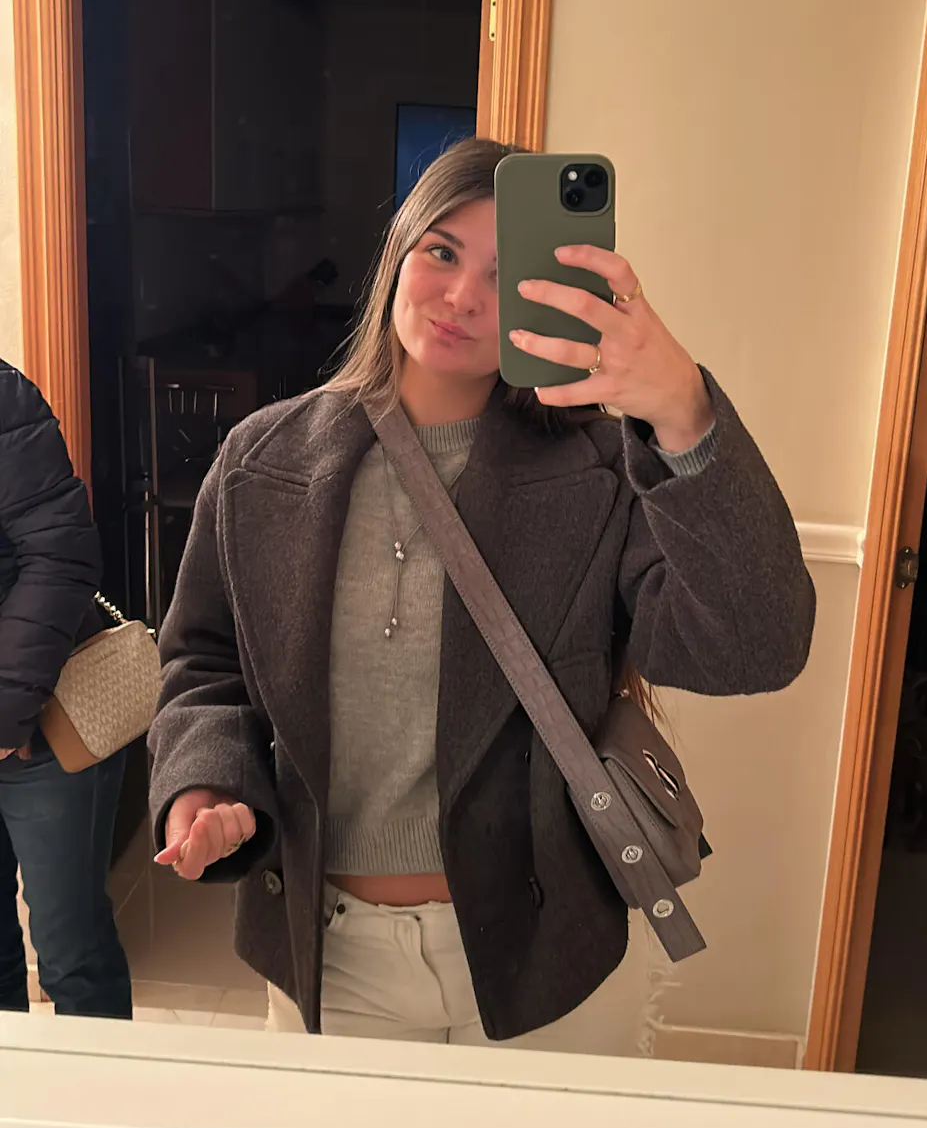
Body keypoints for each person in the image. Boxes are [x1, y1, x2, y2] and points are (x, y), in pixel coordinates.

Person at [149, 139, 815, 1052]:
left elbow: (755, 647)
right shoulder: (264, 461)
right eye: (443, 252)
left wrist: (683, 414)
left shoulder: (598, 473)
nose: (463, 297)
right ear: (399, 252)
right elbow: (202, 661)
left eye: (505, 275)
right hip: (326, 952)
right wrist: (203, 781)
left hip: (545, 953)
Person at [0, 360, 132, 1018]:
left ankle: (103, 1088)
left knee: (71, 955)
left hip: (48, 726)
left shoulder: (3, 397)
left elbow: (60, 556)